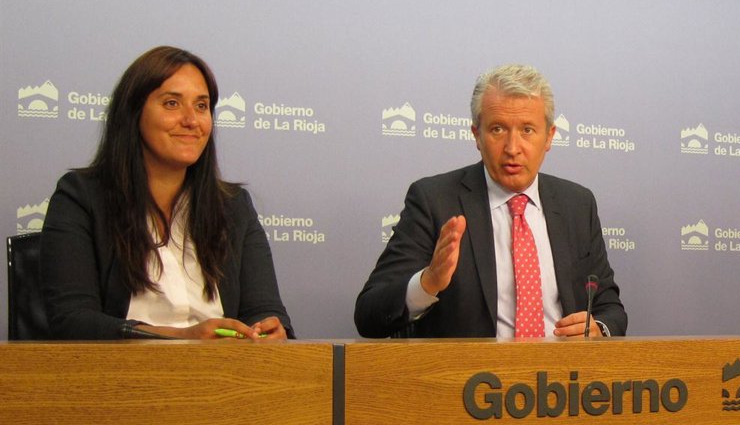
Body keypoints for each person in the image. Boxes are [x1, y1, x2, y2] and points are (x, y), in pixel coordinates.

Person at [355, 64, 626, 339]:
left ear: (549, 137)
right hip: (471, 367)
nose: (512, 148)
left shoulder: (577, 205)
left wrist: (599, 328)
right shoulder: (433, 201)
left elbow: (610, 309)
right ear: (477, 135)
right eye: (497, 129)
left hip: (561, 367)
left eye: (527, 130)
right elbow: (369, 314)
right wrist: (428, 283)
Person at [40, 46, 293, 340]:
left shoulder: (233, 206)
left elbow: (263, 309)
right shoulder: (81, 197)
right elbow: (72, 321)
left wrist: (269, 330)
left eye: (201, 106)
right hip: (122, 367)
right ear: (133, 113)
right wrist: (179, 338)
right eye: (172, 103)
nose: (191, 120)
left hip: (224, 367)